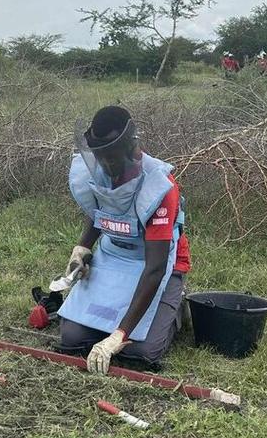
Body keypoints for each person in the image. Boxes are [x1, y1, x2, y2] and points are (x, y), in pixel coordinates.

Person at [58, 106, 191, 374]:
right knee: (72, 339)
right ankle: (119, 323)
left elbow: (155, 268)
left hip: (154, 265)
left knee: (140, 352)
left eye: (112, 158)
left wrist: (119, 335)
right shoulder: (98, 169)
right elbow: (100, 208)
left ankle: (175, 306)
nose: (107, 166)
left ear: (131, 147)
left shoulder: (159, 186)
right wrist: (82, 248)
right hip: (113, 257)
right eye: (101, 159)